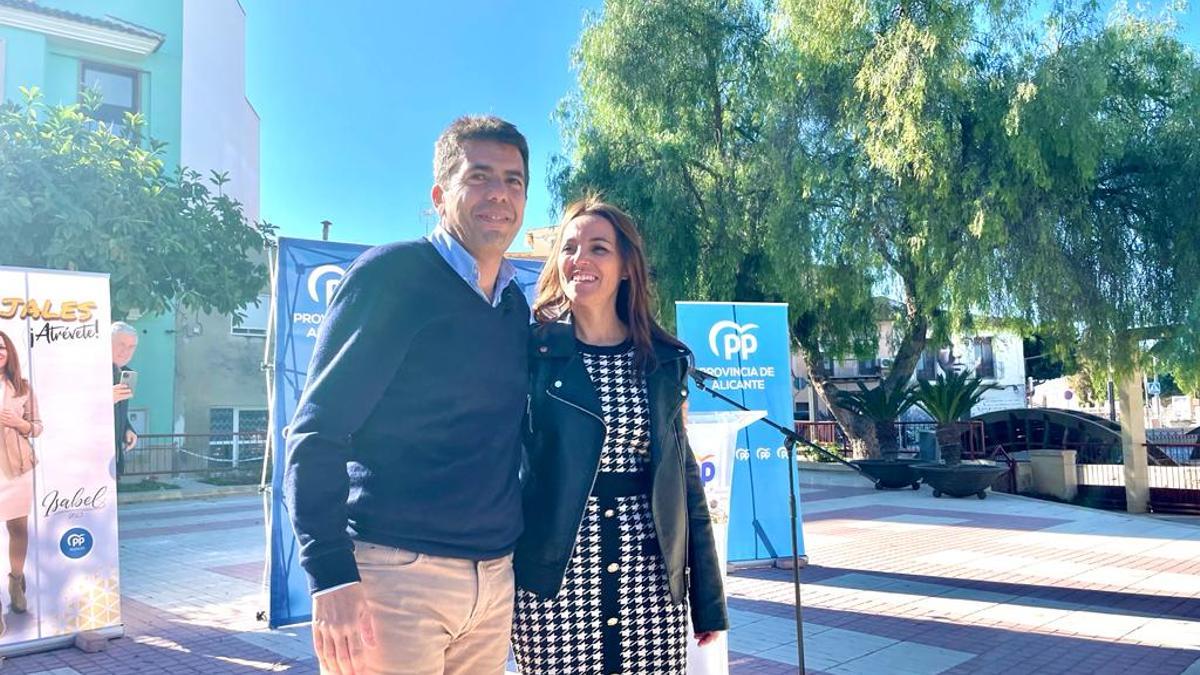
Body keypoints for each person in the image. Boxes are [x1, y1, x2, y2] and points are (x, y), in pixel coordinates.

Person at [284, 115, 532, 675]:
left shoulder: (515, 304)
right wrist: (331, 576)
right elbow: (317, 432)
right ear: (441, 195)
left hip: (493, 582)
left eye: (514, 181)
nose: (499, 194)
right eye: (481, 176)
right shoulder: (391, 276)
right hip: (394, 578)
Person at [512, 196, 728, 674]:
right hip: (555, 581)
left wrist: (706, 599)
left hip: (648, 579)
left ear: (627, 266)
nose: (580, 259)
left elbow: (685, 481)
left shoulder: (661, 361)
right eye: (569, 247)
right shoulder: (535, 354)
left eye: (598, 248)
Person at [0, 330, 41, 634]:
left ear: (9, 352)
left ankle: (16, 583)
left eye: (2, 347)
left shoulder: (23, 387)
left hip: (18, 468)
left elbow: (38, 427)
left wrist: (19, 423)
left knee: (18, 528)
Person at [111, 321, 139, 476]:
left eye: (131, 347)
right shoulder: (92, 371)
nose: (126, 351)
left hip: (113, 461)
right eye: (121, 344)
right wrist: (104, 400)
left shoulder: (126, 373)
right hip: (90, 459)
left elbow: (119, 412)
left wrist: (127, 429)